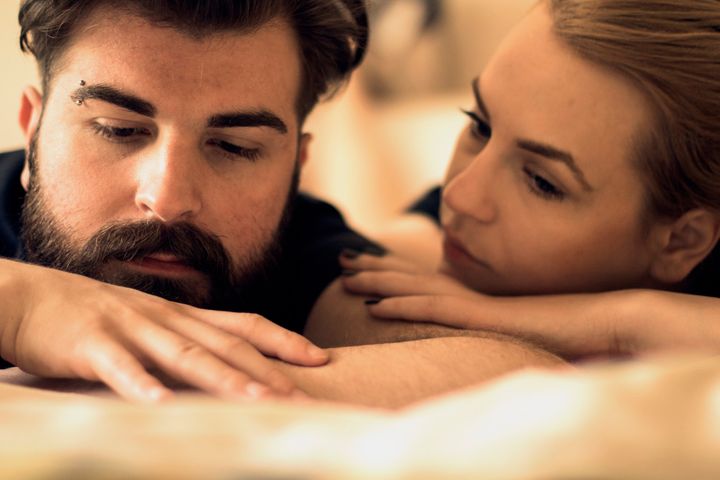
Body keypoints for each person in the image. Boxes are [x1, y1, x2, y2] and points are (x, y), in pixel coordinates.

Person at [0, 0, 563, 408]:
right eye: (119, 130)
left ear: (295, 169)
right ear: (32, 131)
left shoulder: (303, 249)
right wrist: (18, 304)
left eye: (234, 147)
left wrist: (195, 377)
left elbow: (514, 374)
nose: (168, 199)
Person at [339, 0, 720, 361]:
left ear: (682, 241)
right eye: (480, 125)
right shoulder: (476, 198)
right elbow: (383, 249)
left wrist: (619, 322)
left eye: (541, 182)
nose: (459, 196)